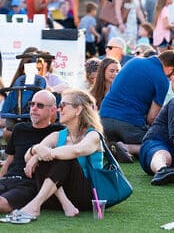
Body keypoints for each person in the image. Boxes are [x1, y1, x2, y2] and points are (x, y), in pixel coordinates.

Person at [8, 90, 103, 222]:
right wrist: (36, 149)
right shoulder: (57, 135)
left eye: (63, 105)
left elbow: (76, 151)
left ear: (78, 110)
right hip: (54, 198)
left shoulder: (93, 136)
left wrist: (43, 153)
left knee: (64, 158)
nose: (59, 110)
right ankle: (66, 204)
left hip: (86, 197)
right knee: (46, 157)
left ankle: (34, 206)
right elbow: (27, 158)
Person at [99, 50, 174, 160]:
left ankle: (109, 146)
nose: (170, 77)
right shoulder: (162, 80)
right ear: (171, 69)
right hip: (129, 124)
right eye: (173, 74)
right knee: (161, 144)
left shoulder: (133, 61)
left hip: (104, 120)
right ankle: (127, 147)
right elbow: (152, 118)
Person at [0, 90, 63, 214]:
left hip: (29, 184)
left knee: (1, 204)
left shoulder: (59, 132)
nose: (34, 108)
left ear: (52, 110)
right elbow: (9, 161)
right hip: (8, 179)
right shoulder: (19, 129)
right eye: (32, 104)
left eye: (40, 105)